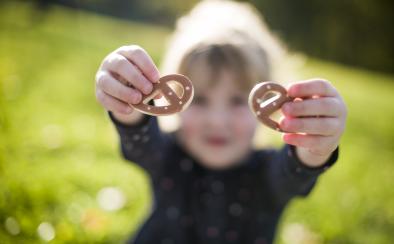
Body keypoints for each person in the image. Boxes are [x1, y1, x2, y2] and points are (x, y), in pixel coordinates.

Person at [94, 1, 347, 243]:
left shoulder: (269, 174)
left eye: (237, 101)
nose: (217, 121)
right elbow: (140, 141)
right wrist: (127, 97)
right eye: (200, 100)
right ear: (171, 99)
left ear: (272, 104)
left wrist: (316, 143)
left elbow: (297, 170)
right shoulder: (167, 156)